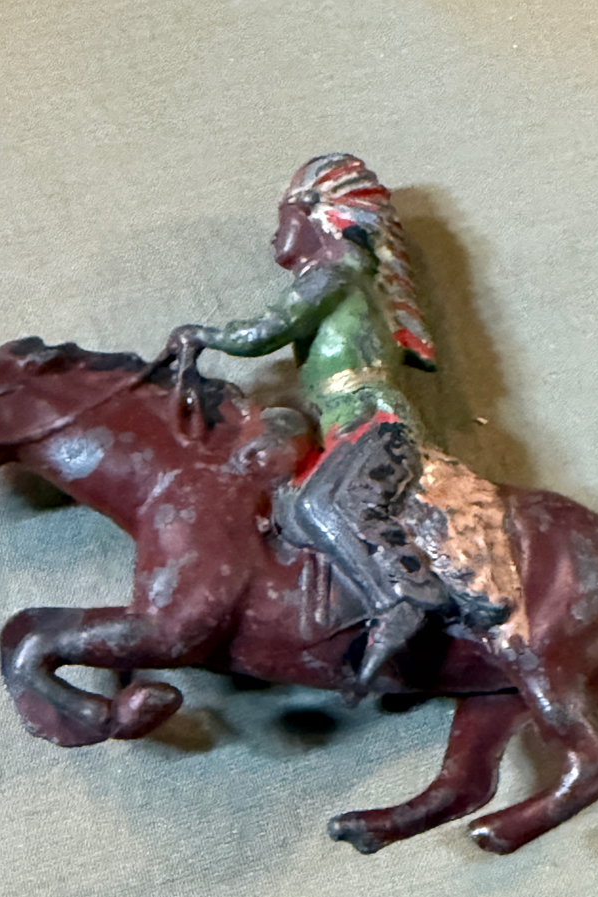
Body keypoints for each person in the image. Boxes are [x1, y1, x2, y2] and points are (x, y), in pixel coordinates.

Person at [164, 153, 451, 685]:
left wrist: (203, 335)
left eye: (283, 221)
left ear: (317, 216)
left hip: (374, 422)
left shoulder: (334, 275)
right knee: (293, 505)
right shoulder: (340, 278)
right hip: (343, 426)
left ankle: (406, 595)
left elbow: (267, 330)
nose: (275, 237)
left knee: (325, 503)